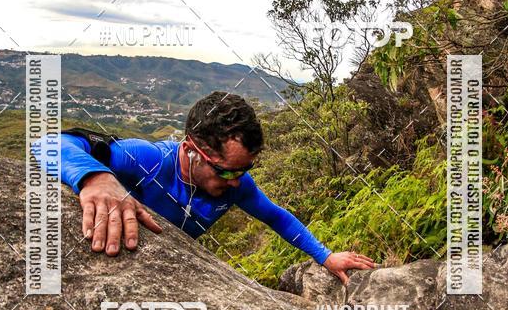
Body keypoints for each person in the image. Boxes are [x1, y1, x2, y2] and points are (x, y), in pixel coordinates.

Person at [34, 92, 375, 284]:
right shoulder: (149, 159)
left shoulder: (237, 185)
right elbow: (47, 144)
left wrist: (326, 256)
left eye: (246, 170)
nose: (237, 181)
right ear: (191, 150)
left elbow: (277, 218)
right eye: (226, 172)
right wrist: (97, 178)